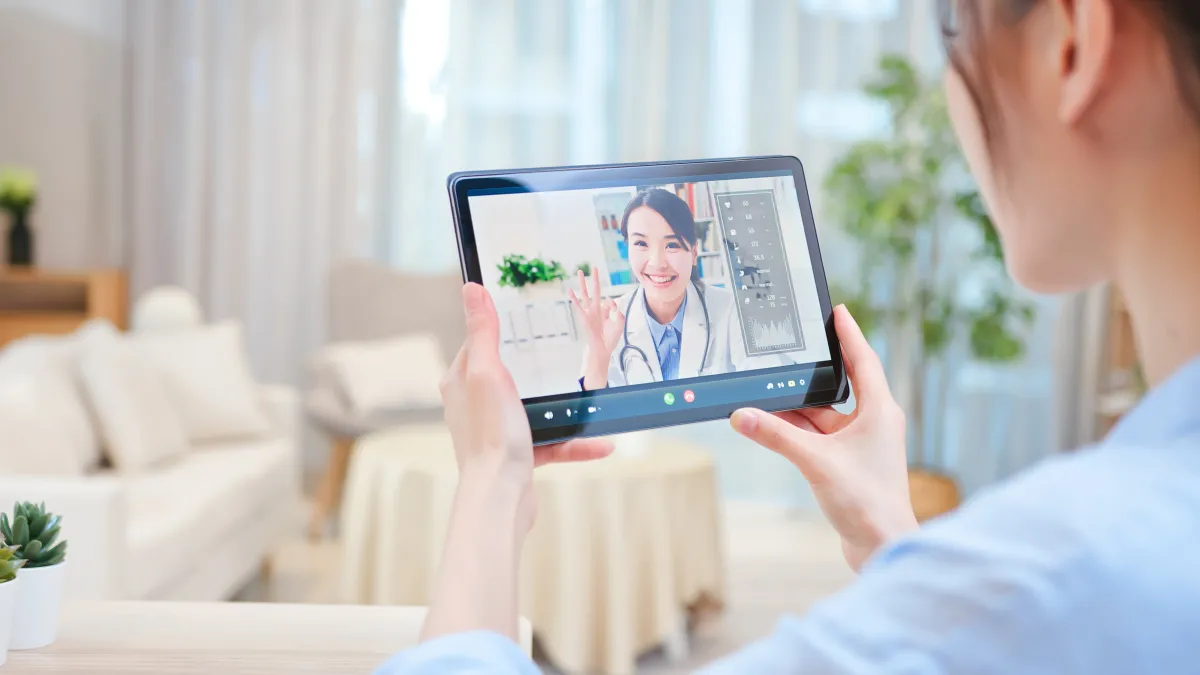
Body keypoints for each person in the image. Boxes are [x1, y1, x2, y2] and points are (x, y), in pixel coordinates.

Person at [378, 1, 1200, 672]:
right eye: (638, 246)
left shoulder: (1061, 571)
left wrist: (491, 480)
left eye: (953, 24)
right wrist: (890, 533)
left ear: (1074, 44)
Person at [568, 188, 780, 388]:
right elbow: (588, 415)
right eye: (641, 244)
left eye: (672, 245)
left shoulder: (733, 310)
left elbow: (770, 386)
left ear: (694, 253)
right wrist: (599, 357)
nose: (657, 263)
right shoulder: (610, 321)